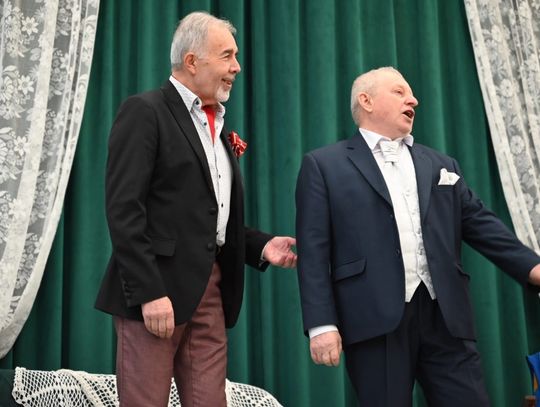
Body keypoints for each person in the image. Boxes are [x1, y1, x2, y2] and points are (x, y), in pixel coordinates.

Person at [295, 66, 540, 407]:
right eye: (399, 92)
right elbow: (313, 251)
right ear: (366, 101)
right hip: (373, 318)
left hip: (446, 316)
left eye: (410, 94)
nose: (413, 100)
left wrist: (533, 267)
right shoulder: (324, 165)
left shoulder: (441, 164)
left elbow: (481, 223)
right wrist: (322, 324)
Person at [95, 11, 296, 407]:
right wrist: (149, 292)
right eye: (227, 56)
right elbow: (124, 209)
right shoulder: (145, 111)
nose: (237, 67)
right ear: (191, 61)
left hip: (212, 292)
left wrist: (261, 245)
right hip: (157, 291)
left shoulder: (217, 126)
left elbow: (207, 217)